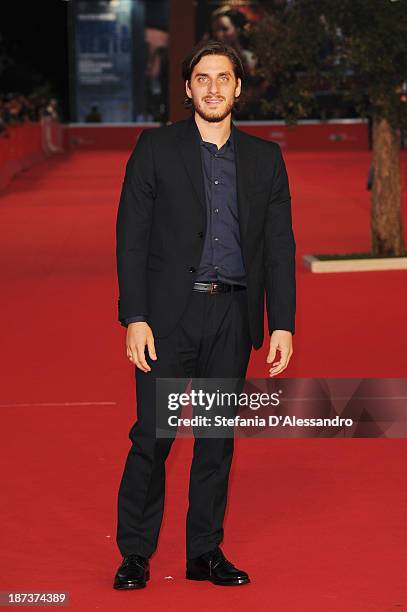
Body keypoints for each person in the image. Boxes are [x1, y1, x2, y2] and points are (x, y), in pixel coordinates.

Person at [113, 40, 296, 590]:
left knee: (217, 441)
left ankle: (204, 553)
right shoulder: (155, 148)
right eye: (202, 78)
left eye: (224, 77)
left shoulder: (266, 158)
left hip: (232, 317)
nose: (213, 87)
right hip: (169, 317)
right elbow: (130, 238)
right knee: (154, 437)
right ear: (189, 89)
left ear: (239, 87)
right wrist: (135, 317)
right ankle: (136, 553)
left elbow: (280, 246)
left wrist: (281, 322)